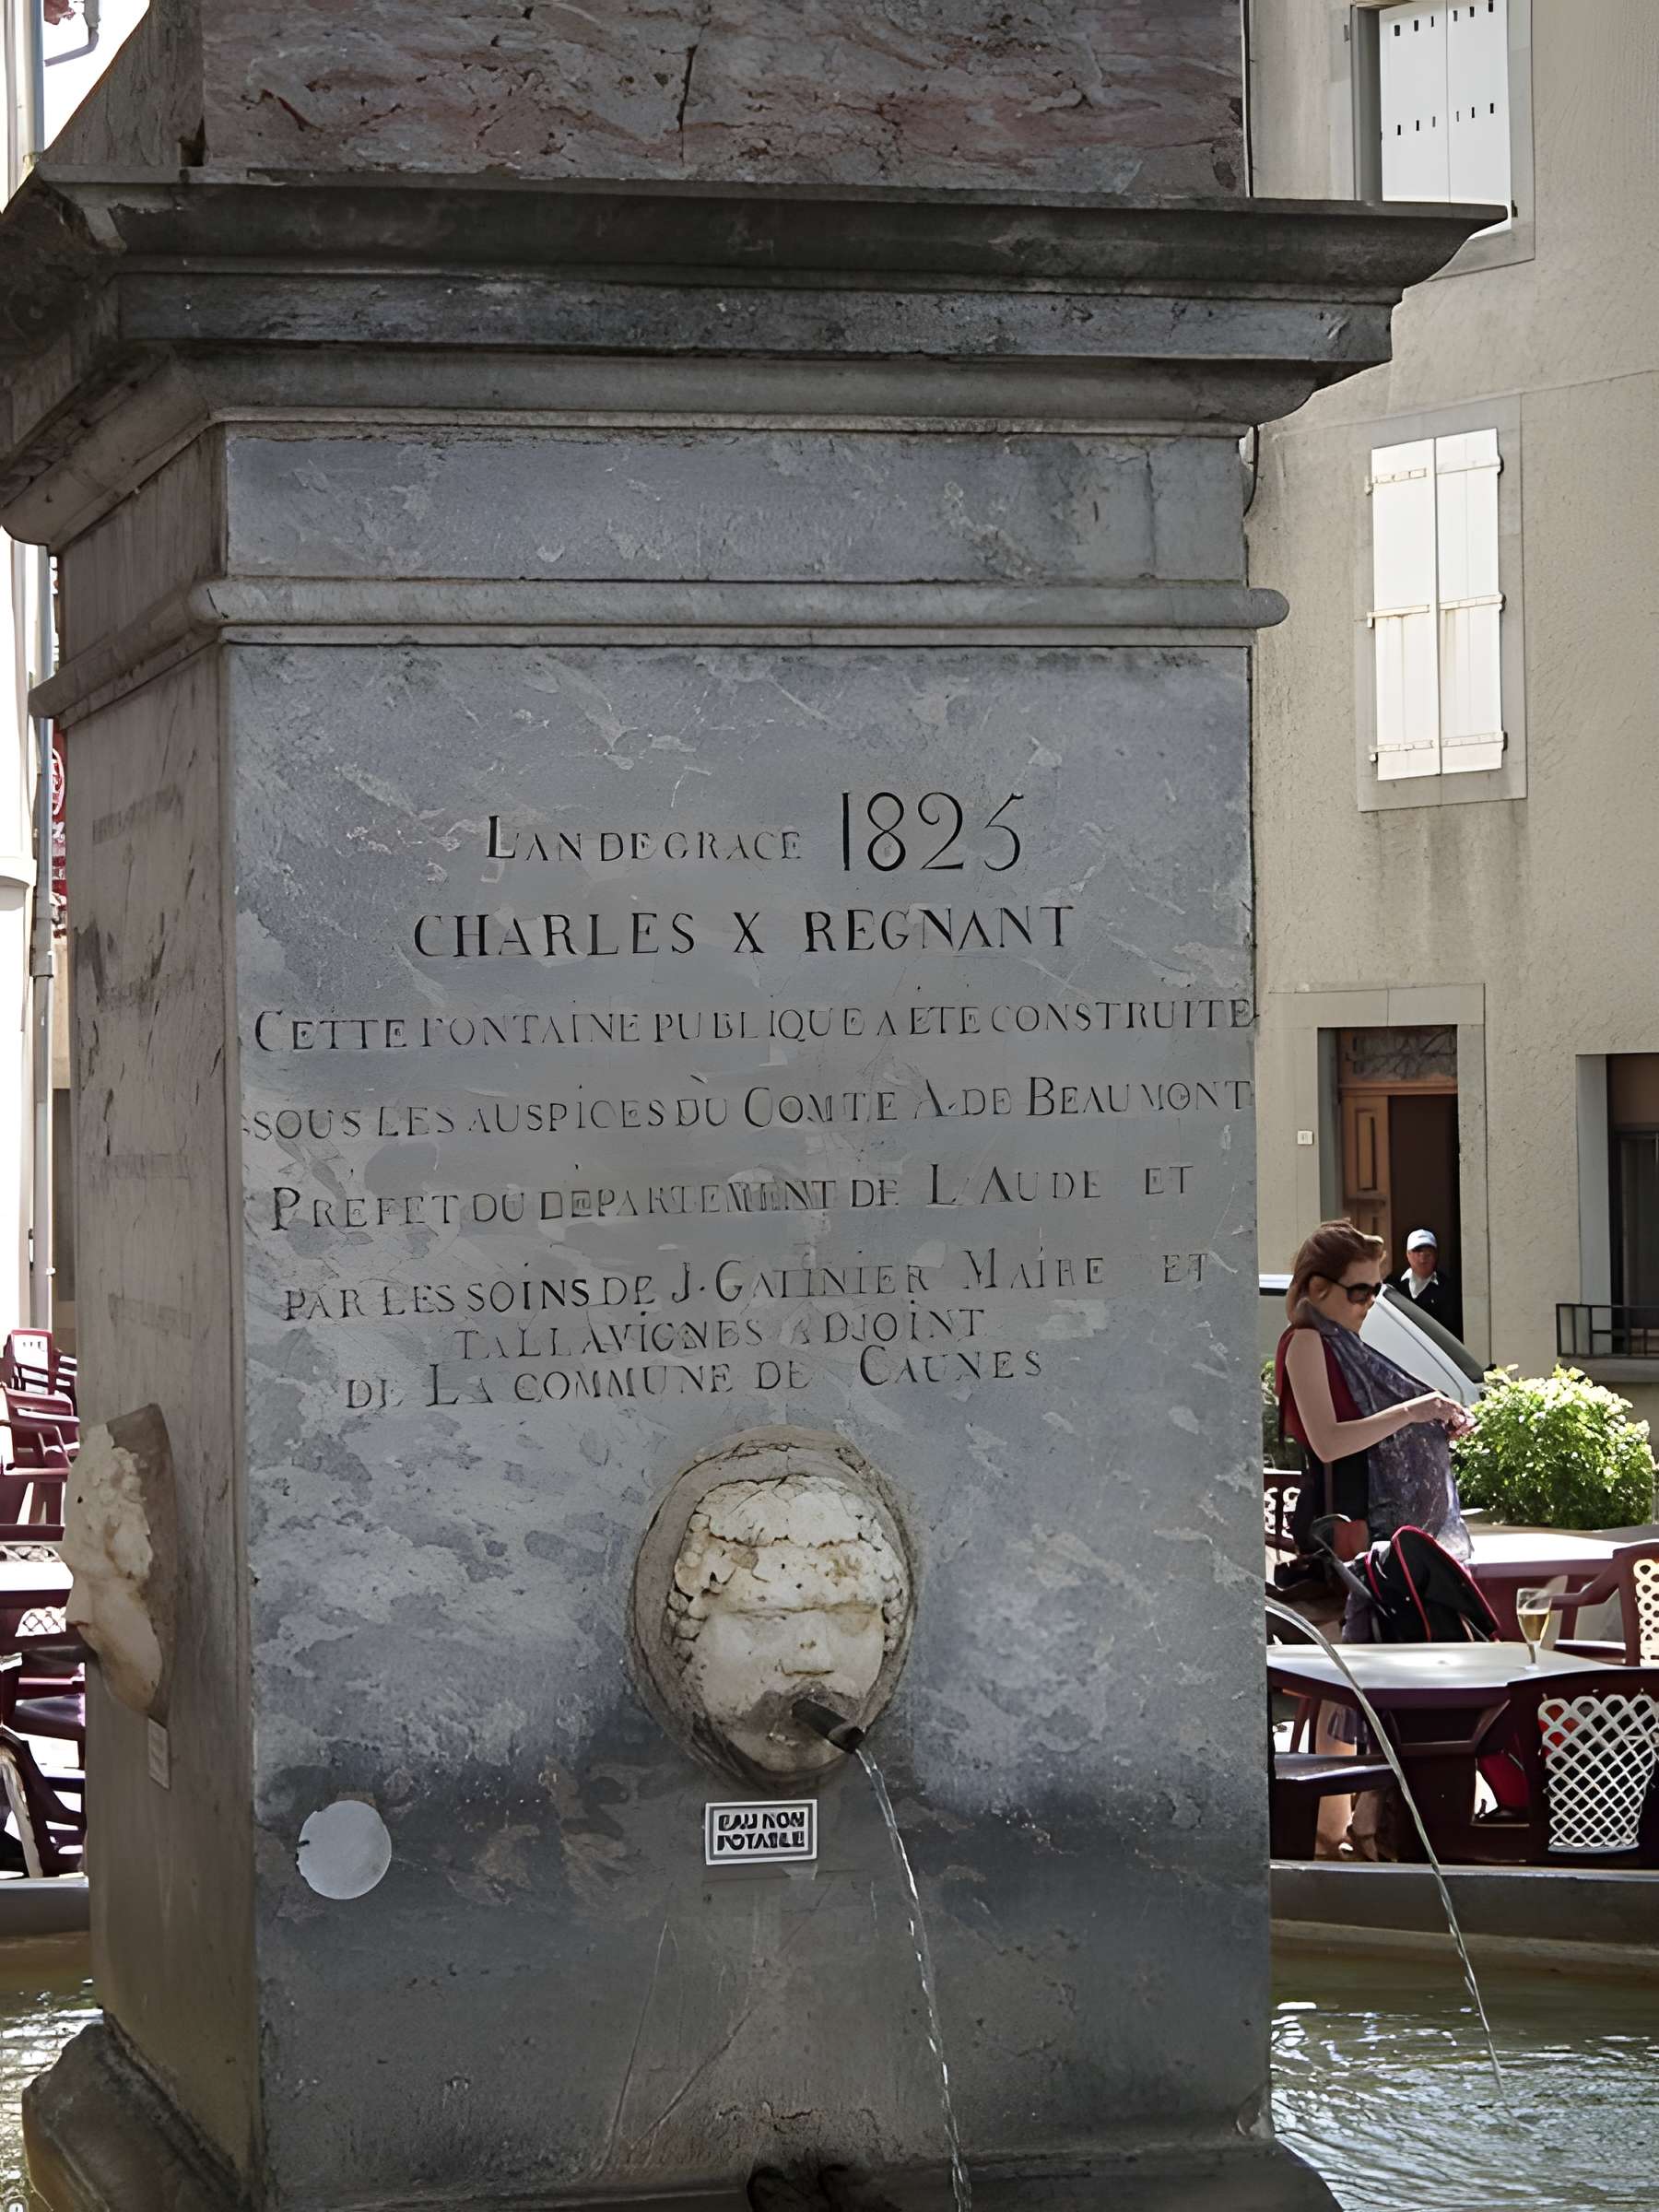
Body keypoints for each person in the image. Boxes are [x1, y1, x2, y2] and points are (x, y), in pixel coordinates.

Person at [1273, 1219, 1473, 1854]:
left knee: (1378, 1670)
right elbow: (1330, 1440)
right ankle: (1335, 1832)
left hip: (1369, 1527)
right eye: (1359, 1292)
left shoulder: (1350, 1347)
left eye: (1377, 1291)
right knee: (1348, 1680)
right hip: (1339, 1527)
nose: (1369, 1305)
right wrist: (1414, 1412)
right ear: (1318, 1289)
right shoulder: (1307, 1341)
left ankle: (1362, 1824)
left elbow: (1382, 1426)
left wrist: (1434, 1422)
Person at [1399, 1228, 1463, 1339]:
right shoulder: (1394, 1285)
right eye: (1418, 1250)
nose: (1423, 1256)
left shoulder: (1449, 1289)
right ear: (1408, 1254)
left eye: (1429, 1250)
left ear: (1436, 1254)